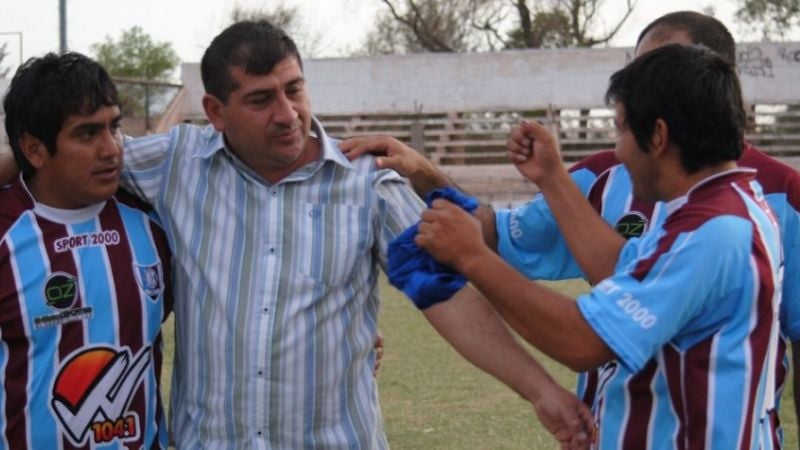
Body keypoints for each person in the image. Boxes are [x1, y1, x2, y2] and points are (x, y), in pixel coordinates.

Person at [116, 21, 592, 448]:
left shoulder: (367, 184)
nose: (287, 114)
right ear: (215, 112)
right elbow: (69, 154)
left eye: (294, 90)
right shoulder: (176, 163)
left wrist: (541, 391)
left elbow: (447, 298)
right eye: (261, 100)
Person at [342, 11, 800, 449]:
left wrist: (473, 259)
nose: (617, 152)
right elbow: (620, 268)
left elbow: (584, 343)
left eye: (621, 130)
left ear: (657, 136)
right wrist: (552, 180)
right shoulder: (723, 202)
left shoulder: (713, 229)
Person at [0, 53, 172, 448]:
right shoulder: (6, 233)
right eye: (87, 134)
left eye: (115, 127)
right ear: (34, 148)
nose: (111, 149)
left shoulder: (153, 224)